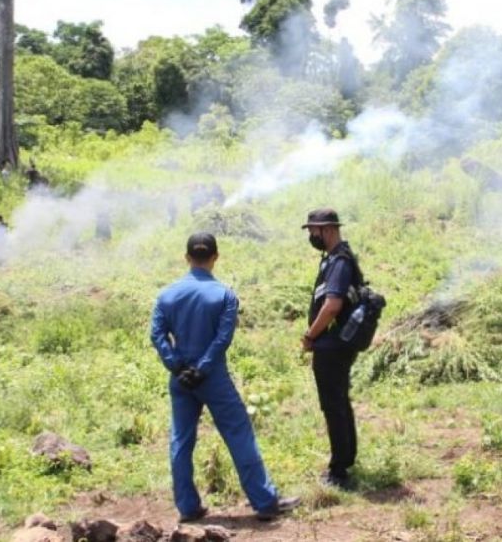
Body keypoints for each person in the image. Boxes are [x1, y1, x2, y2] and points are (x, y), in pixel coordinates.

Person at [150, 233, 300, 522]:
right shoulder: (225, 295)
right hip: (213, 377)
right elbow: (222, 338)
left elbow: (157, 335)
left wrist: (177, 366)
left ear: (186, 257)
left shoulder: (167, 295)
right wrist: (203, 368)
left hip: (181, 380)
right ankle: (265, 502)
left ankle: (188, 507)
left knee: (181, 440)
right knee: (238, 433)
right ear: (216, 257)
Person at [301, 208, 361, 489]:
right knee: (339, 401)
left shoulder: (339, 262)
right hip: (335, 344)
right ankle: (345, 459)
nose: (312, 236)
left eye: (313, 231)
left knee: (333, 405)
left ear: (327, 230)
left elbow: (333, 305)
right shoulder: (336, 259)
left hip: (333, 346)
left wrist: (311, 335)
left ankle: (339, 472)